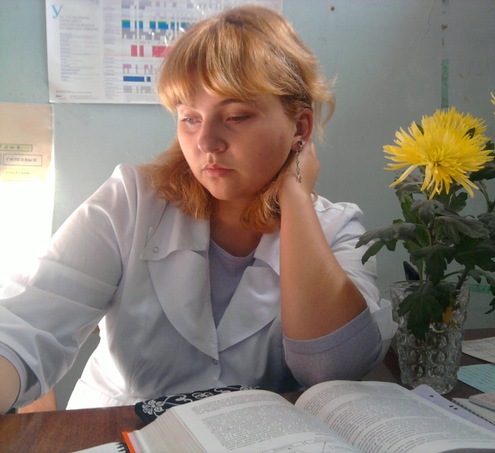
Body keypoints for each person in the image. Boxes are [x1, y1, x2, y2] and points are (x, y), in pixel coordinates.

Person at [0, 5, 396, 412]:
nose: (206, 142)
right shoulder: (131, 201)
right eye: (189, 118)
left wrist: (294, 195)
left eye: (236, 116)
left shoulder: (336, 229)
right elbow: (26, 324)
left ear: (300, 128)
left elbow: (331, 368)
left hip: (255, 435)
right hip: (121, 430)